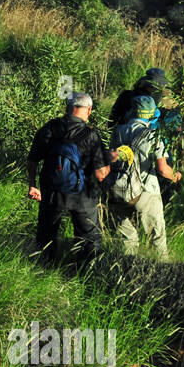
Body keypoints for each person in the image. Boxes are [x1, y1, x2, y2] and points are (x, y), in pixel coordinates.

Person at [26, 92, 113, 265]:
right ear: (89, 111)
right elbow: (100, 173)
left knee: (46, 236)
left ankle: (43, 270)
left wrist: (32, 185)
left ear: (69, 107)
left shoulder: (49, 128)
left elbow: (32, 160)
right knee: (89, 241)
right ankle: (86, 275)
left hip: (52, 193)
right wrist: (110, 159)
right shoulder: (91, 135)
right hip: (83, 197)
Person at [105, 96, 181, 259]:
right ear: (152, 114)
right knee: (157, 240)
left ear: (133, 111)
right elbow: (162, 169)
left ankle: (126, 274)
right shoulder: (154, 134)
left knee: (126, 242)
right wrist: (175, 176)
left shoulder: (118, 131)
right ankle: (161, 277)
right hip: (146, 192)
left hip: (120, 191)